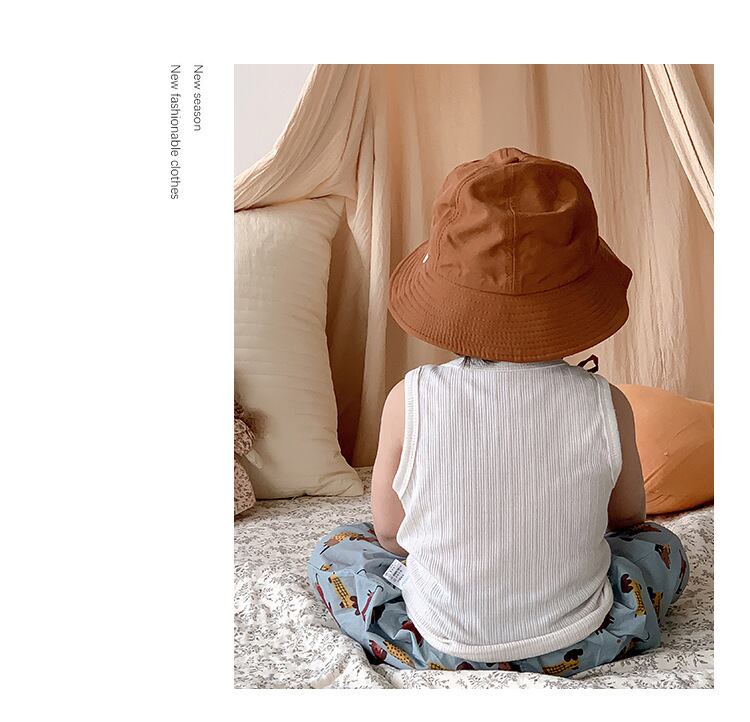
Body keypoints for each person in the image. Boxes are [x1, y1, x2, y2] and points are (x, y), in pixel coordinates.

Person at [307, 147, 689, 675]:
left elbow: (392, 534)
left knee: (338, 549)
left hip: (439, 642)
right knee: (661, 545)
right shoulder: (607, 402)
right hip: (581, 640)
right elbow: (625, 519)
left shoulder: (409, 398)